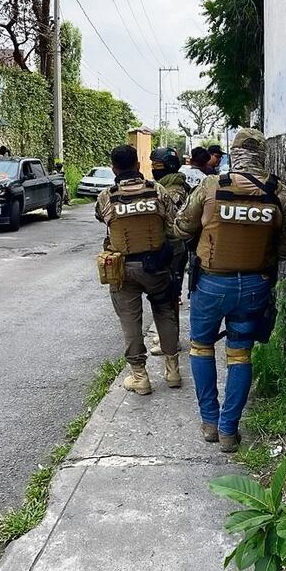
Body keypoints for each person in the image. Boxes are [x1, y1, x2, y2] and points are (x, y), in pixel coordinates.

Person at [173, 128, 286, 452]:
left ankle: (210, 423)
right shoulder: (278, 192)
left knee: (201, 347)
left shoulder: (211, 186)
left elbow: (182, 225)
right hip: (255, 285)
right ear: (262, 154)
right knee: (240, 353)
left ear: (234, 154)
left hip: (211, 284)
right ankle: (229, 431)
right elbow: (284, 249)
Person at [96, 145, 182, 394]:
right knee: (165, 311)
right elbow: (173, 224)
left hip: (122, 269)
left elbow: (102, 218)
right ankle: (173, 370)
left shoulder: (106, 196)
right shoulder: (157, 190)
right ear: (137, 164)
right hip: (157, 265)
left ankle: (140, 377)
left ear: (114, 168)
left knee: (130, 321)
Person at [148, 146, 192, 357]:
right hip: (170, 248)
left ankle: (171, 340)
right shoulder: (168, 185)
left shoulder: (173, 189)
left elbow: (167, 218)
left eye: (157, 166)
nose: (154, 170)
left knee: (170, 294)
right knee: (166, 293)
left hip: (173, 248)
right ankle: (166, 334)